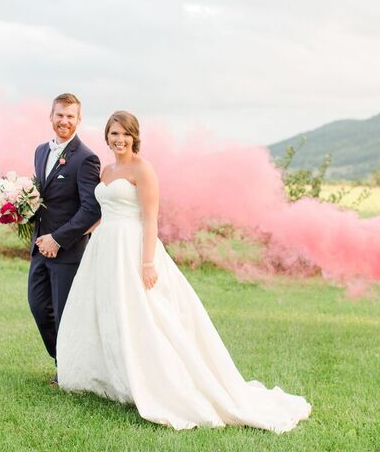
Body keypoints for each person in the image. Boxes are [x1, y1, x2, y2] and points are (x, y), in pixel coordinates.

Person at [56, 111, 311, 432]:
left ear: (134, 137)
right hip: (104, 248)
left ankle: (158, 381)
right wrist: (77, 234)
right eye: (113, 134)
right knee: (108, 311)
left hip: (133, 249)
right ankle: (113, 376)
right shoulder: (107, 170)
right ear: (106, 137)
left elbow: (150, 219)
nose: (119, 140)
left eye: (124, 134)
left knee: (144, 314)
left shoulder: (143, 170)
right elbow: (105, 211)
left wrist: (147, 263)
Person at [29, 93, 101, 385]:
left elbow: (91, 208)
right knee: (38, 305)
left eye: (71, 116)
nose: (64, 121)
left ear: (78, 120)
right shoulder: (40, 151)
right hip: (38, 247)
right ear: (51, 116)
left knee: (64, 314)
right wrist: (19, 210)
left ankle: (67, 369)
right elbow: (41, 195)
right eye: (60, 115)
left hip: (67, 251)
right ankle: (64, 359)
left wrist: (57, 239)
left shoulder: (86, 158)